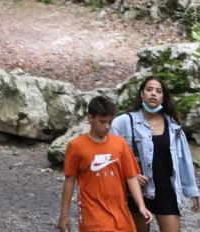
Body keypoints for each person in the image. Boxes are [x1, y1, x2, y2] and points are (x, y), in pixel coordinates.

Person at [112, 78, 200, 232]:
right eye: (149, 89)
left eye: (158, 91)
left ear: (163, 97)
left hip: (166, 188)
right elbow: (110, 154)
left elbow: (183, 160)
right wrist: (127, 175)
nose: (153, 93)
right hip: (137, 190)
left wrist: (192, 191)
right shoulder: (123, 122)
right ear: (142, 94)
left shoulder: (173, 126)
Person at [58, 94, 151, 232]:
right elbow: (70, 180)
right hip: (92, 216)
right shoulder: (76, 146)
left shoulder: (120, 144)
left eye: (110, 122)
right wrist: (64, 215)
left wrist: (141, 206)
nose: (107, 127)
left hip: (121, 215)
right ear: (90, 118)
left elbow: (131, 177)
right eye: (102, 122)